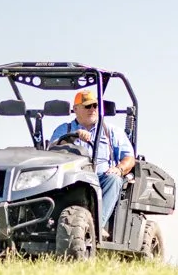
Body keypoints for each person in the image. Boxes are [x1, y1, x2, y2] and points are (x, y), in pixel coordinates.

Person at [51, 88, 136, 234]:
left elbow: (129, 158)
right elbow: (51, 150)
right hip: (71, 180)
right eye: (87, 106)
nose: (93, 109)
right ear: (75, 109)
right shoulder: (64, 129)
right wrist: (73, 136)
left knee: (114, 179)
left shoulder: (111, 131)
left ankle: (95, 228)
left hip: (100, 178)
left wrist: (120, 169)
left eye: (95, 106)